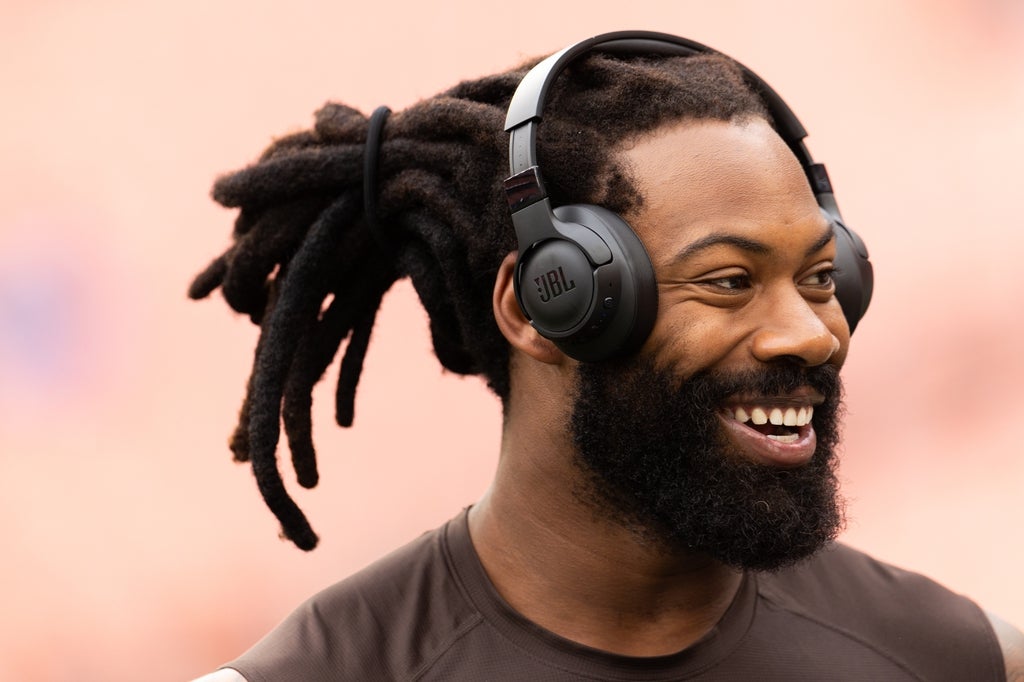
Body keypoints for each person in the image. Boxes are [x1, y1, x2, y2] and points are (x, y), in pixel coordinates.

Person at [189, 31, 1023, 681]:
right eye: (730, 281)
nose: (812, 332)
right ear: (545, 304)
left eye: (818, 277)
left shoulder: (965, 663)